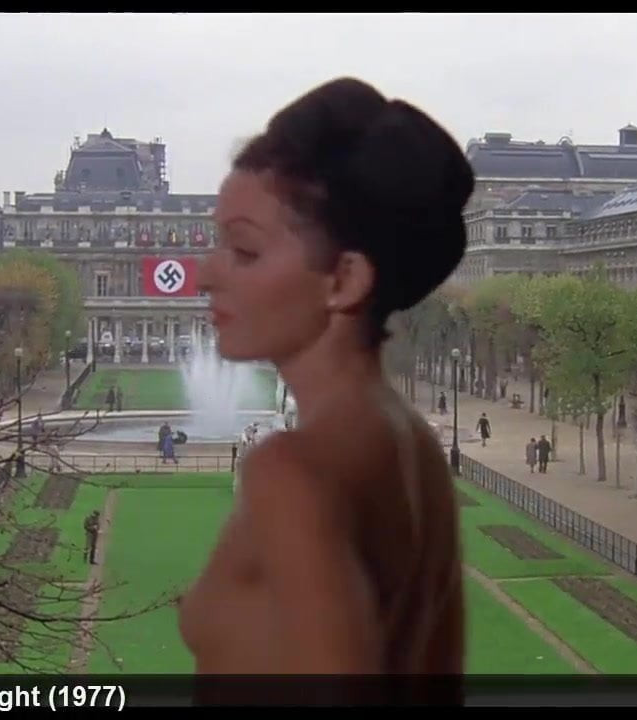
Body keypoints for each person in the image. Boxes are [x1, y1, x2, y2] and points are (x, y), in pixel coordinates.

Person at [178, 77, 470, 699]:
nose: (204, 274)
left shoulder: (292, 472)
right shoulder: (412, 444)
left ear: (344, 279)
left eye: (244, 250)